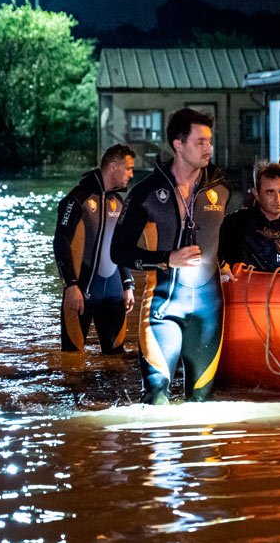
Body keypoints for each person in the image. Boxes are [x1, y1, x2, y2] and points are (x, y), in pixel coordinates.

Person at [110, 108, 230, 404]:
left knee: (201, 407)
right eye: (200, 142)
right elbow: (118, 251)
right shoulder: (146, 192)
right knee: (156, 400)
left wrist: (228, 262)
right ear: (178, 144)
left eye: (210, 141)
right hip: (163, 308)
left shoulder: (222, 188)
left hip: (209, 312)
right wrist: (166, 259)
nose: (209, 149)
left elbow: (224, 236)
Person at [53, 144, 137, 354]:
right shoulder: (77, 199)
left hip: (115, 292)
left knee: (116, 363)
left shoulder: (119, 200)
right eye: (128, 168)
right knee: (72, 364)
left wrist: (128, 284)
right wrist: (71, 285)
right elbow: (60, 242)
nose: (132, 174)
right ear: (113, 167)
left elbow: (122, 245)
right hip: (81, 290)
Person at [219, 162, 280, 273]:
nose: (278, 199)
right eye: (270, 192)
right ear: (256, 193)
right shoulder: (235, 225)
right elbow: (210, 250)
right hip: (245, 289)